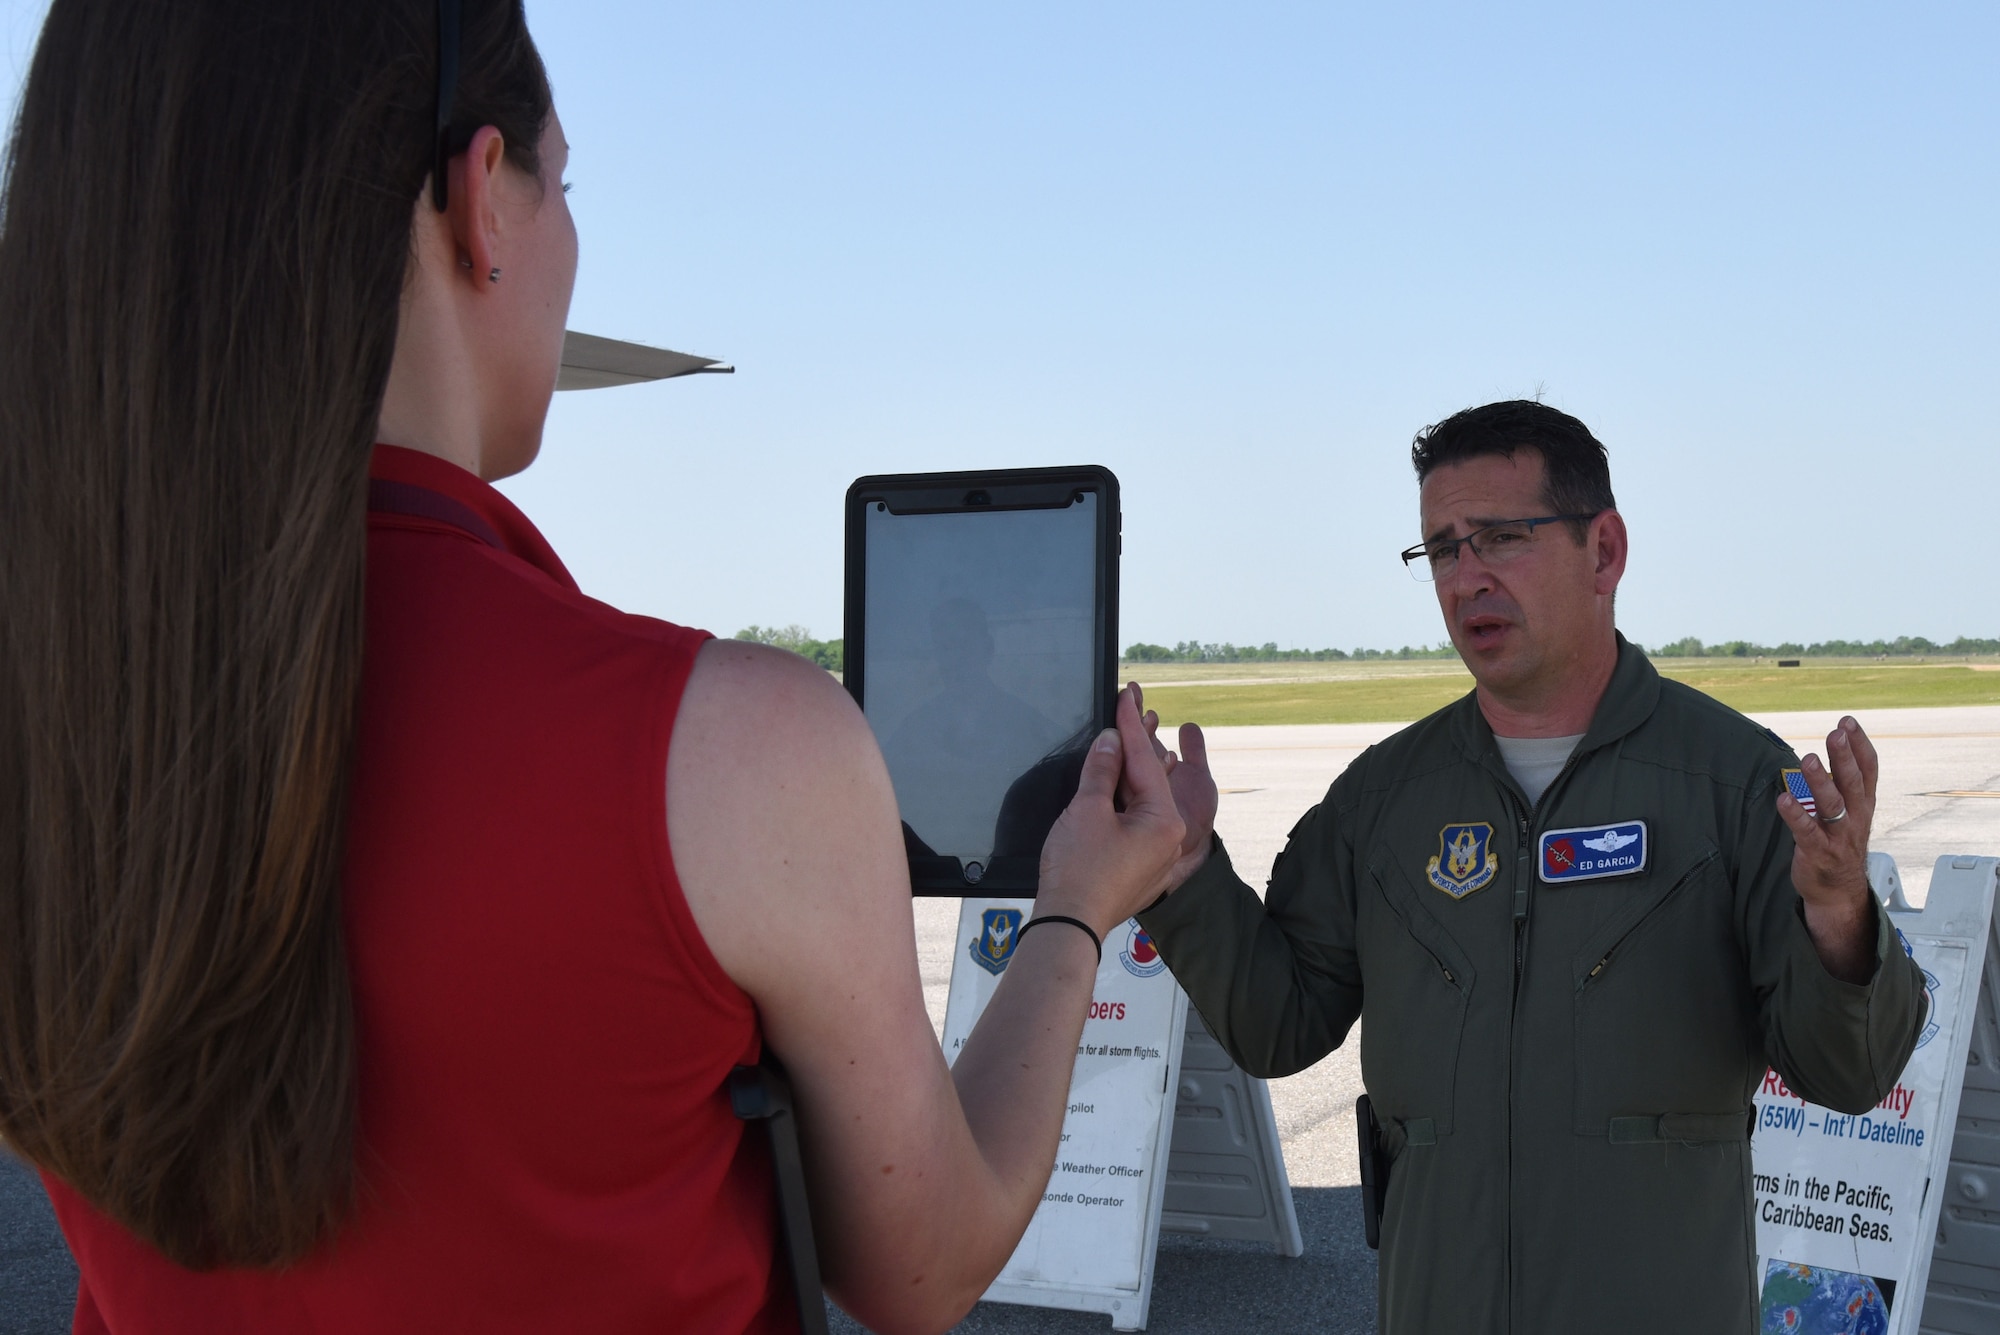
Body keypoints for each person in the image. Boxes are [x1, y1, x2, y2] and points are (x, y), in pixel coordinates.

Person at [0, 4, 1185, 1333]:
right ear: (477, 202)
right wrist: (1079, 907)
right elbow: (925, 1264)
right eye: (561, 186)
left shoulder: (56, 726)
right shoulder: (733, 750)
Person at [1125, 400, 1927, 1334]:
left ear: (1605, 551)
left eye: (1502, 537)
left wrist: (1838, 914)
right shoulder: (1383, 801)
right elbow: (1278, 1025)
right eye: (1442, 548)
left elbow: (1850, 1071)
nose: (1467, 578)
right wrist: (1184, 873)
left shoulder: (1734, 786)